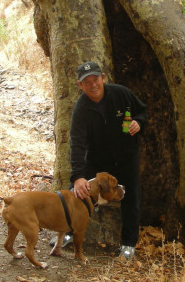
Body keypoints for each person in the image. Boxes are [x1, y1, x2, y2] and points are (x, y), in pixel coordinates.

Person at [69, 61, 148, 259]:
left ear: (103, 78)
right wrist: (78, 176)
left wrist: (139, 123)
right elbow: (77, 144)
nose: (92, 85)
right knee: (77, 191)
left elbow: (143, 111)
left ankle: (128, 244)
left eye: (95, 79)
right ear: (80, 86)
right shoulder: (81, 109)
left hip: (126, 157)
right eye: (86, 82)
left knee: (131, 198)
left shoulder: (121, 94)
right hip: (97, 161)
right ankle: (69, 233)